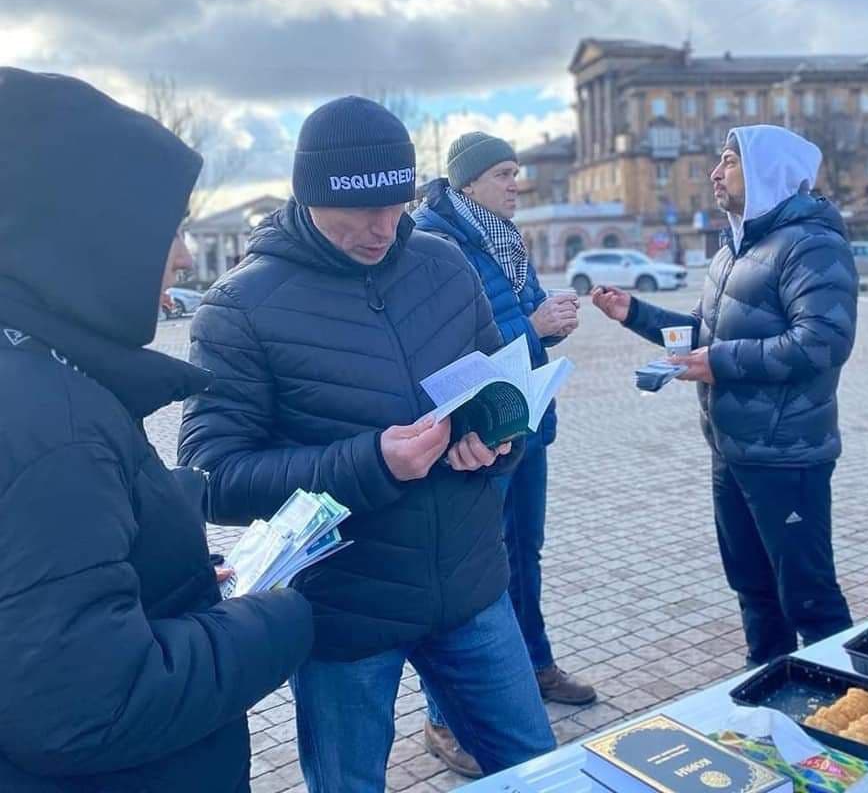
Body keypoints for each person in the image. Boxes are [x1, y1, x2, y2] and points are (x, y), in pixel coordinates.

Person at [178, 98, 556, 793]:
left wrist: (498, 441)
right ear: (308, 196)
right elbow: (212, 476)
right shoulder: (239, 307)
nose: (384, 229)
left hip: (471, 591)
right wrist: (371, 462)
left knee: (542, 776)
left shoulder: (444, 263)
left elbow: (497, 390)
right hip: (345, 615)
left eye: (397, 206)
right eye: (360, 212)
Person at [0, 68, 315, 793]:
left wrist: (164, 565)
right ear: (90, 236)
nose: (183, 256)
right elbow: (89, 707)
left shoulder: (36, 377)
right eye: (169, 227)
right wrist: (279, 620)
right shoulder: (55, 423)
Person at [593, 125, 857, 667]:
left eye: (730, 162)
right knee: (753, 587)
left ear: (767, 171)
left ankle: (850, 700)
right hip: (732, 450)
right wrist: (634, 313)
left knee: (809, 599)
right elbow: (704, 335)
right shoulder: (733, 251)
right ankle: (768, 686)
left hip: (787, 455)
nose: (715, 173)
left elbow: (823, 342)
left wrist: (720, 362)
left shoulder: (811, 244)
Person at [412, 133, 595, 777]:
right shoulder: (434, 240)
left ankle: (534, 663)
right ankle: (443, 718)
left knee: (524, 552)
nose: (516, 184)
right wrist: (533, 327)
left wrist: (548, 325)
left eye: (517, 172)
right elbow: (450, 343)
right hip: (473, 438)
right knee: (468, 572)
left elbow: (517, 321)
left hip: (525, 424)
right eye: (502, 174)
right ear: (466, 182)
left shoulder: (504, 237)